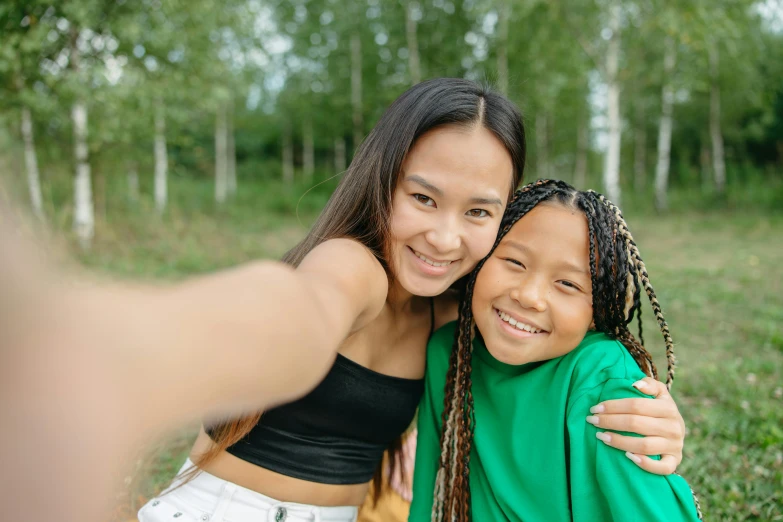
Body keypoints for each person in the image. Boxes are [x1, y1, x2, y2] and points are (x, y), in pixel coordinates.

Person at [138, 80, 688, 522]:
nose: (445, 239)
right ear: (383, 184)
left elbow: (551, 361)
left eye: (477, 212)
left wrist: (653, 415)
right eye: (424, 198)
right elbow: (311, 306)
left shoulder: (458, 313)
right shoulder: (351, 265)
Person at [409, 179, 702, 521]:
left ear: (599, 313)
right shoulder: (449, 352)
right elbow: (431, 500)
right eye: (515, 262)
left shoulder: (601, 376)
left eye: (568, 284)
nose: (529, 296)